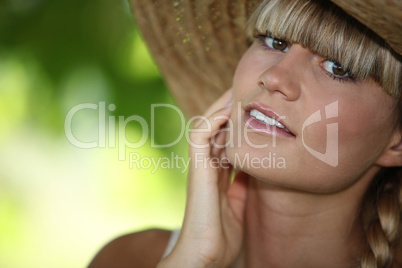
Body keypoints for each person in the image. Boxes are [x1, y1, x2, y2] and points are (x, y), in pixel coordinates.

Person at [89, 0, 402, 267]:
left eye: (338, 68)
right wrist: (193, 259)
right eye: (274, 42)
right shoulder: (131, 259)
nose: (274, 76)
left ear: (397, 142)